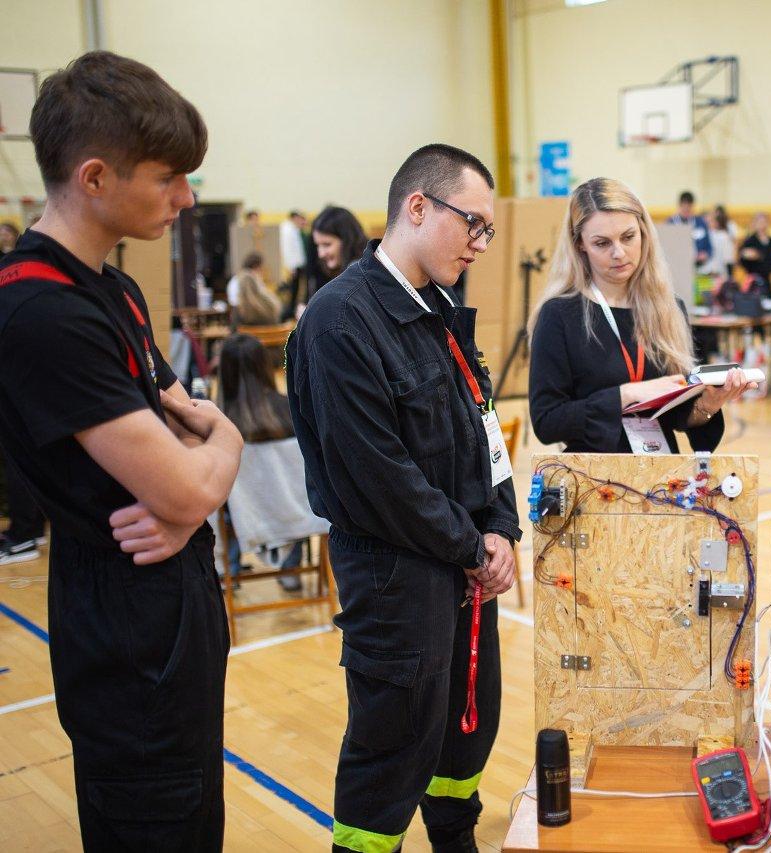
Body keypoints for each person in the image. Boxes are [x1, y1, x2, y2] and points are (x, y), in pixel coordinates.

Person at [0, 51, 243, 850]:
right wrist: (197, 484)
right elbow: (179, 481)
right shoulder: (43, 310)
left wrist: (217, 450)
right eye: (168, 176)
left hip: (172, 602)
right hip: (128, 627)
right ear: (96, 176)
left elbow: (200, 438)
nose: (185, 198)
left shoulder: (116, 288)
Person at [287, 143, 519, 853]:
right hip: (397, 580)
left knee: (462, 737)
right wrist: (470, 543)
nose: (480, 244)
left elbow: (483, 422)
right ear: (417, 207)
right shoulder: (339, 321)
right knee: (390, 760)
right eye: (471, 224)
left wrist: (501, 523)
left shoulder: (440, 305)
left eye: (487, 230)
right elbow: (377, 477)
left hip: (463, 567)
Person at [528, 178, 752, 455]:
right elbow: (547, 422)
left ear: (644, 232)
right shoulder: (559, 315)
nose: (619, 253)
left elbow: (675, 415)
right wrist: (629, 394)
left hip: (661, 477)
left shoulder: (669, 308)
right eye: (602, 243)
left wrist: (708, 404)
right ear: (580, 245)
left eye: (628, 237)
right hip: (594, 478)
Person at [217, 333, 302, 589]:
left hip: (247, 517)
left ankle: (229, 572)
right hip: (298, 514)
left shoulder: (220, 423)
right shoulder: (293, 410)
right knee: (296, 489)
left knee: (226, 496)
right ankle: (292, 571)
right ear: (265, 366)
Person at [309, 204, 366, 297]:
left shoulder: (359, 277)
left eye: (327, 244)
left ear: (347, 240)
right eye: (317, 245)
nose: (321, 254)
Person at [226, 251, 282, 326]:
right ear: (256, 266)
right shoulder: (254, 280)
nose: (262, 271)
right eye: (261, 268)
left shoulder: (234, 281)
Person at [667, 190, 712, 265]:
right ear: (679, 206)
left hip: (698, 265)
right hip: (676, 265)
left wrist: (705, 254)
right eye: (684, 207)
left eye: (689, 207)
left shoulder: (701, 223)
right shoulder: (670, 223)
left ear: (692, 206)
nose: (686, 209)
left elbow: (709, 247)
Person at [737, 212, 771, 295]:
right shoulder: (749, 241)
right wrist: (746, 255)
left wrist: (760, 255)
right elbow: (741, 260)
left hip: (768, 280)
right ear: (754, 224)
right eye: (759, 222)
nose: (762, 225)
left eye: (764, 222)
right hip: (754, 281)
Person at [279, 209, 309, 318]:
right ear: (293, 218)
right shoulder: (287, 229)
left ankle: (292, 309)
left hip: (298, 264)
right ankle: (290, 311)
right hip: (293, 265)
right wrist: (291, 266)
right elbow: (288, 250)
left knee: (296, 289)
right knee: (292, 290)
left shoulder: (294, 229)